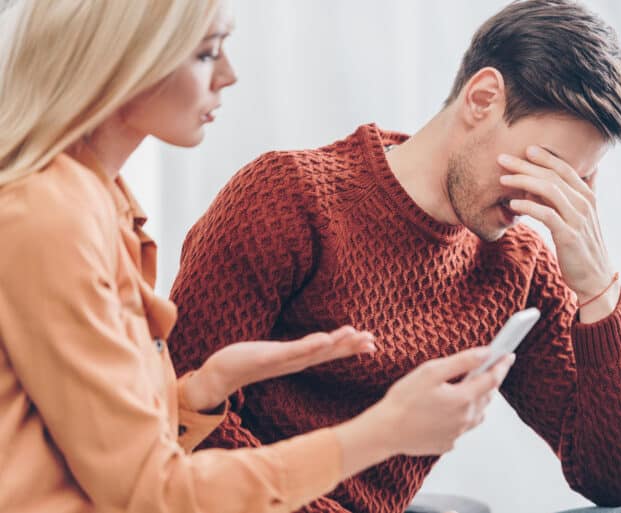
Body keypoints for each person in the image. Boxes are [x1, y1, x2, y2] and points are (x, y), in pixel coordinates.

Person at [167, 1, 621, 513]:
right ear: (483, 98)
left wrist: (598, 287)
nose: (541, 202)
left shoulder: (517, 265)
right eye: (545, 166)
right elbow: (179, 426)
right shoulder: (288, 198)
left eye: (572, 183)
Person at [0, 1, 515, 512]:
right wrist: (378, 434)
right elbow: (149, 492)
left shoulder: (99, 202)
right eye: (207, 53)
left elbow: (98, 445)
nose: (229, 75)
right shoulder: (51, 218)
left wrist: (204, 389)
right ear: (119, 58)